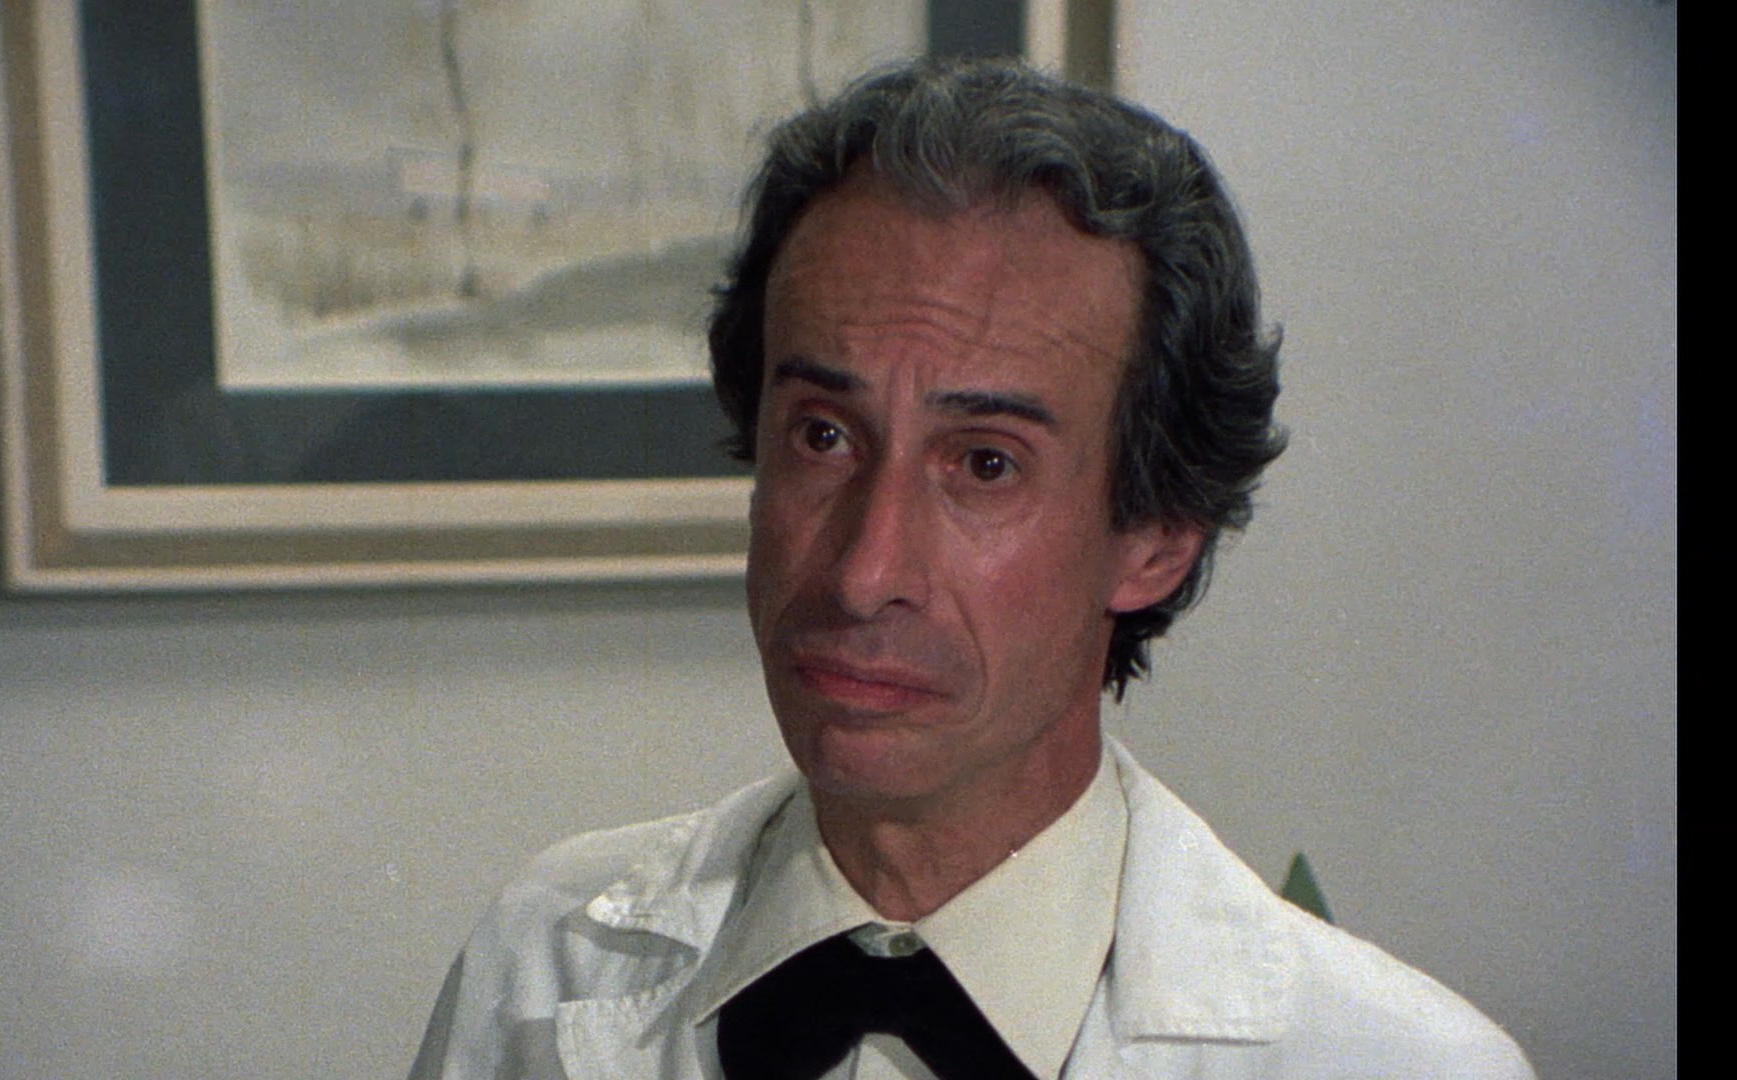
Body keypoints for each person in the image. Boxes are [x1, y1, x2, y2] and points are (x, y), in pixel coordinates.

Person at [410, 58, 1534, 1079]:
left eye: (985, 464)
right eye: (823, 436)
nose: (864, 573)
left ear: (1155, 538)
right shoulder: (542, 961)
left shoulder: (1395, 1066)